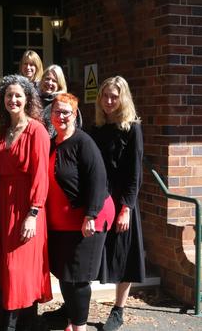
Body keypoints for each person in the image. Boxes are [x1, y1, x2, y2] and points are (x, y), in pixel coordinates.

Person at [46, 93, 115, 331]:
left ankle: (80, 327)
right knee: (65, 275)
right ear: (51, 115)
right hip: (60, 222)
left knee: (78, 278)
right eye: (57, 111)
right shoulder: (52, 142)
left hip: (86, 219)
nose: (61, 116)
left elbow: (98, 179)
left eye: (66, 112)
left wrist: (91, 215)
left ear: (75, 115)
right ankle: (71, 321)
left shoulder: (83, 142)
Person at [0, 75, 52, 330]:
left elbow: (41, 175)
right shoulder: (2, 132)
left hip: (26, 207)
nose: (13, 100)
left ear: (28, 99)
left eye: (18, 95)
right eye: (9, 95)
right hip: (3, 206)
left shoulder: (36, 130)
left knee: (19, 269)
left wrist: (33, 212)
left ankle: (15, 324)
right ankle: (24, 323)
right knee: (7, 269)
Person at [91, 76, 145, 331]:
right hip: (99, 199)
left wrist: (127, 208)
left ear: (123, 98)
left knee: (124, 255)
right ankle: (73, 306)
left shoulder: (132, 128)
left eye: (114, 97)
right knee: (91, 251)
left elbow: (135, 173)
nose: (109, 101)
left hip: (122, 199)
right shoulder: (96, 127)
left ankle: (119, 309)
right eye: (105, 96)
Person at [38, 65, 82, 138]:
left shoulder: (66, 103)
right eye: (47, 79)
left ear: (59, 84)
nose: (49, 83)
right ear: (42, 80)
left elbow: (74, 130)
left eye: (54, 81)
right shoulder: (35, 102)